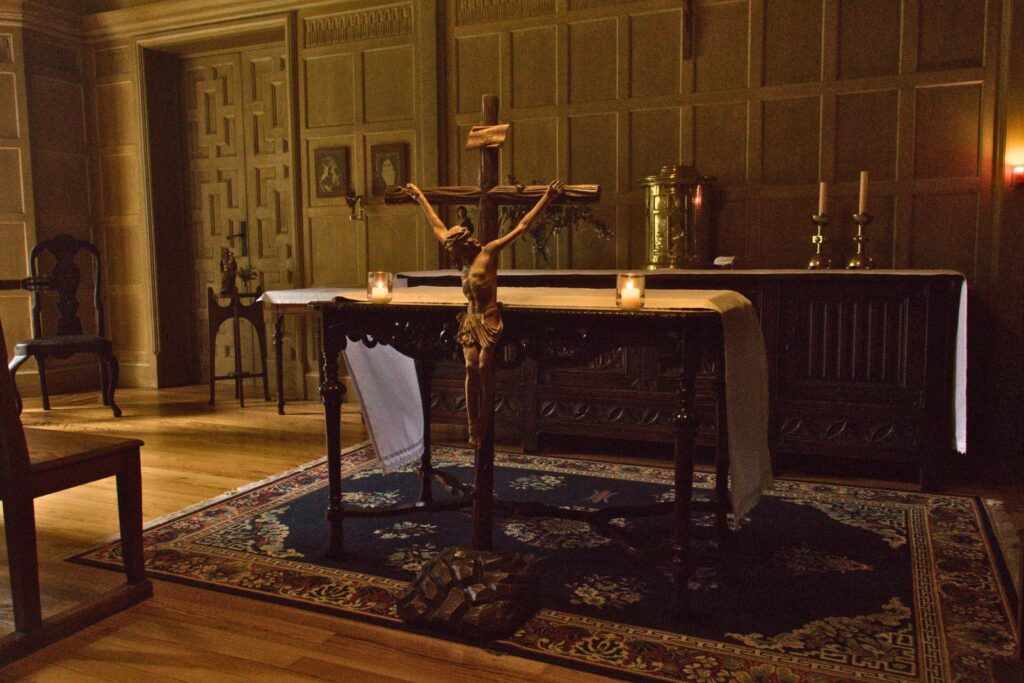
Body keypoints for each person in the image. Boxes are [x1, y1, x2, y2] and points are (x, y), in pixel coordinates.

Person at [404, 180, 564, 446]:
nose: (454, 253)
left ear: (465, 243)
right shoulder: (462, 257)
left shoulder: (487, 253)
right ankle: (472, 426)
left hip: (489, 317)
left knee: (483, 366)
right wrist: (419, 196)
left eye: (457, 248)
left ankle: (486, 421)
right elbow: (437, 226)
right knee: (469, 366)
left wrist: (547, 197)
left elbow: (522, 227)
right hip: (470, 318)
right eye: (453, 249)